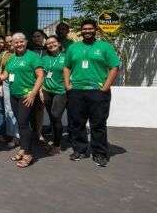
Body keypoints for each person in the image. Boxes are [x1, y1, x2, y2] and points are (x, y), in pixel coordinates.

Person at [64, 19, 120, 167]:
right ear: (81, 31)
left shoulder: (105, 47)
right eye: (84, 29)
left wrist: (106, 87)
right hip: (76, 91)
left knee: (98, 124)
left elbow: (114, 67)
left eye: (90, 29)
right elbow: (67, 67)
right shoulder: (73, 48)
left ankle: (100, 153)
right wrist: (68, 85)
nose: (87, 31)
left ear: (95, 30)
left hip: (98, 92)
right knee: (77, 123)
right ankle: (80, 150)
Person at [1, 33, 44, 168]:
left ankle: (28, 153)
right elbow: (6, 75)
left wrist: (32, 94)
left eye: (21, 42)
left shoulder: (33, 57)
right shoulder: (12, 58)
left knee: (24, 123)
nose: (19, 44)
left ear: (25, 42)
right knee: (20, 123)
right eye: (16, 42)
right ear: (12, 44)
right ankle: (23, 148)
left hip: (27, 96)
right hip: (14, 95)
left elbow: (41, 76)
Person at [40, 36, 67, 155]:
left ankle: (57, 145)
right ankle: (55, 141)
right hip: (46, 90)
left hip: (61, 91)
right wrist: (40, 90)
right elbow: (41, 75)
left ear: (59, 43)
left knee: (56, 116)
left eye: (53, 42)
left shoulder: (66, 57)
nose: (51, 45)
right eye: (48, 43)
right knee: (51, 117)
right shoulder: (44, 58)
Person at [0, 34, 19, 145]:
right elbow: (0, 69)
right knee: (8, 109)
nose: (9, 43)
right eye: (7, 41)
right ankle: (12, 135)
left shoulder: (21, 54)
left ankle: (18, 136)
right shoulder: (4, 54)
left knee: (17, 110)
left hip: (19, 82)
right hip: (6, 82)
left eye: (11, 41)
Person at [30, 29, 48, 144]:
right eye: (34, 37)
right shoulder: (30, 51)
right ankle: (32, 131)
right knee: (30, 109)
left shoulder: (48, 51)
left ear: (43, 37)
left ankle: (39, 132)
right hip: (31, 83)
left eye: (38, 36)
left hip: (45, 83)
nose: (36, 38)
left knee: (40, 109)